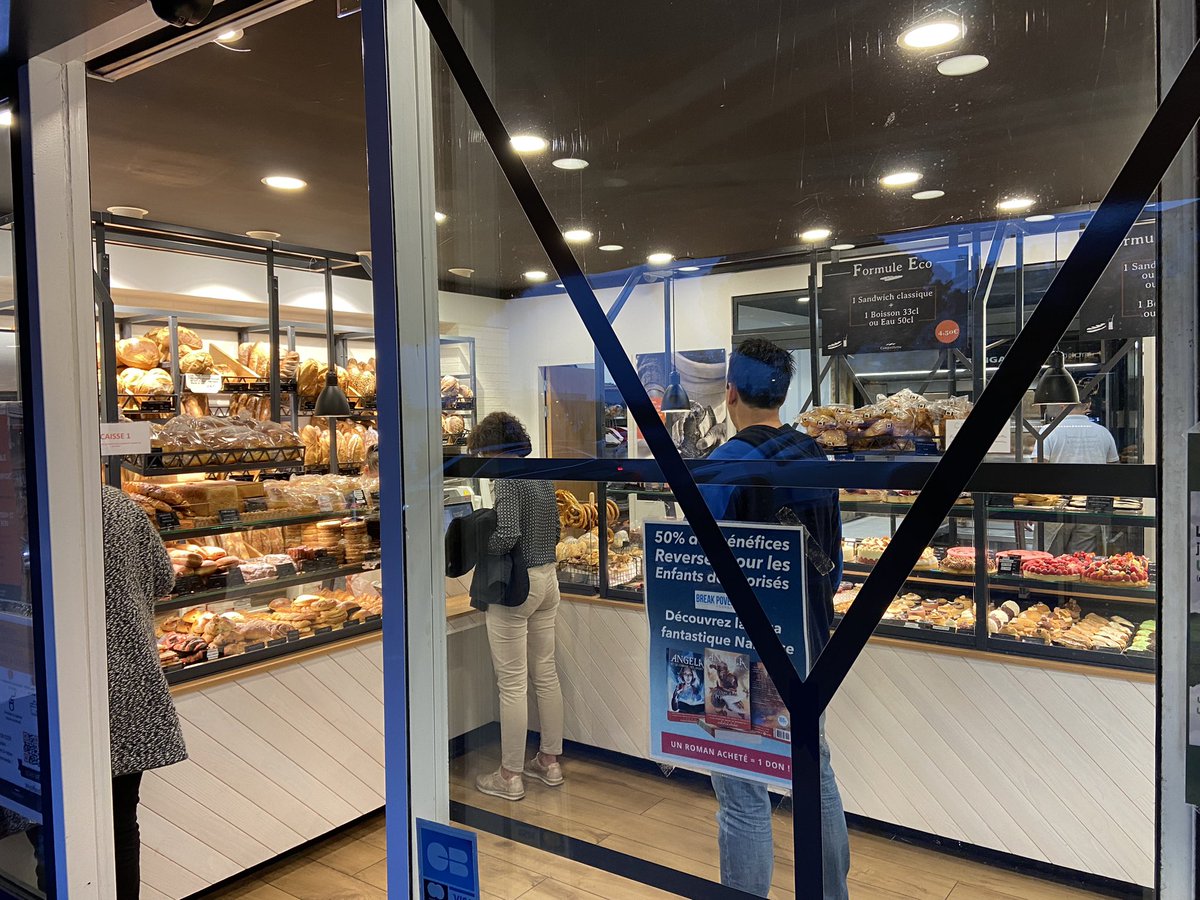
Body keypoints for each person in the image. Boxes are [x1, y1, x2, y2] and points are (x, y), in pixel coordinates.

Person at [699, 338, 850, 899]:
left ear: (729, 391)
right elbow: (831, 567)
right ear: (783, 393)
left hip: (736, 650)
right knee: (815, 776)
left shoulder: (723, 465)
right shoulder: (814, 455)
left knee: (742, 794)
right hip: (810, 644)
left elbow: (698, 575)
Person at [29, 487, 187, 897]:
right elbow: (164, 579)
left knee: (53, 831)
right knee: (118, 826)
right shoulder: (116, 504)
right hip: (126, 691)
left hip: (40, 697)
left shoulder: (16, 509)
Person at [468, 412, 565, 801]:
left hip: (516, 586)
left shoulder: (505, 479)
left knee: (511, 683)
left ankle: (509, 774)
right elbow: (556, 530)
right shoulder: (539, 474)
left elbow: (506, 533)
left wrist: (479, 545)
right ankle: (549, 761)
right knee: (545, 673)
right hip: (548, 580)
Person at [1041, 400, 1119, 553]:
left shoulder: (1047, 432)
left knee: (1048, 566)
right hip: (1091, 507)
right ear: (1088, 406)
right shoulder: (1103, 432)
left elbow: (1036, 472)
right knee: (1080, 565)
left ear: (1062, 405)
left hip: (1056, 508)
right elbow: (1114, 473)